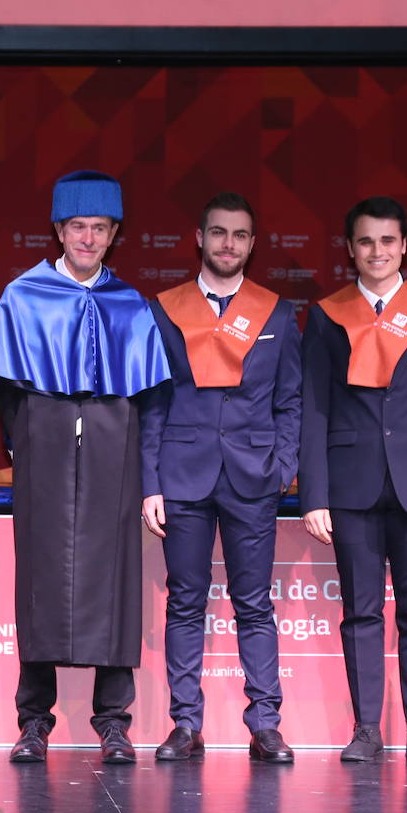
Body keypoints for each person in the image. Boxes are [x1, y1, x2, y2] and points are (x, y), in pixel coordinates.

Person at [0, 170, 171, 765]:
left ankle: (114, 722)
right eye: (78, 227)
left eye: (101, 229)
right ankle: (34, 721)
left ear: (114, 235)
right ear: (59, 230)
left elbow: (148, 397)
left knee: (114, 579)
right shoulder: (24, 294)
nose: (88, 238)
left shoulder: (129, 303)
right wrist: (30, 439)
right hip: (45, 444)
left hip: (115, 447)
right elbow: (6, 388)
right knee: (39, 578)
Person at [298, 196, 407, 764]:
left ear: (405, 246)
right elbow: (314, 409)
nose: (378, 251)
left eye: (388, 241)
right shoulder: (327, 314)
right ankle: (366, 729)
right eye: (366, 241)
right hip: (350, 485)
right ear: (350, 249)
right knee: (360, 611)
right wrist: (314, 494)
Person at [140, 192, 301, 763]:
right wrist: (150, 482)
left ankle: (266, 726)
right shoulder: (164, 309)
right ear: (199, 238)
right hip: (182, 474)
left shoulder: (277, 312)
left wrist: (284, 466)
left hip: (254, 476)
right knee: (185, 601)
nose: (228, 244)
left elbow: (291, 400)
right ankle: (186, 724)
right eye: (218, 233)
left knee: (254, 604)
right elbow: (152, 402)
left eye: (239, 235)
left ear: (252, 244)